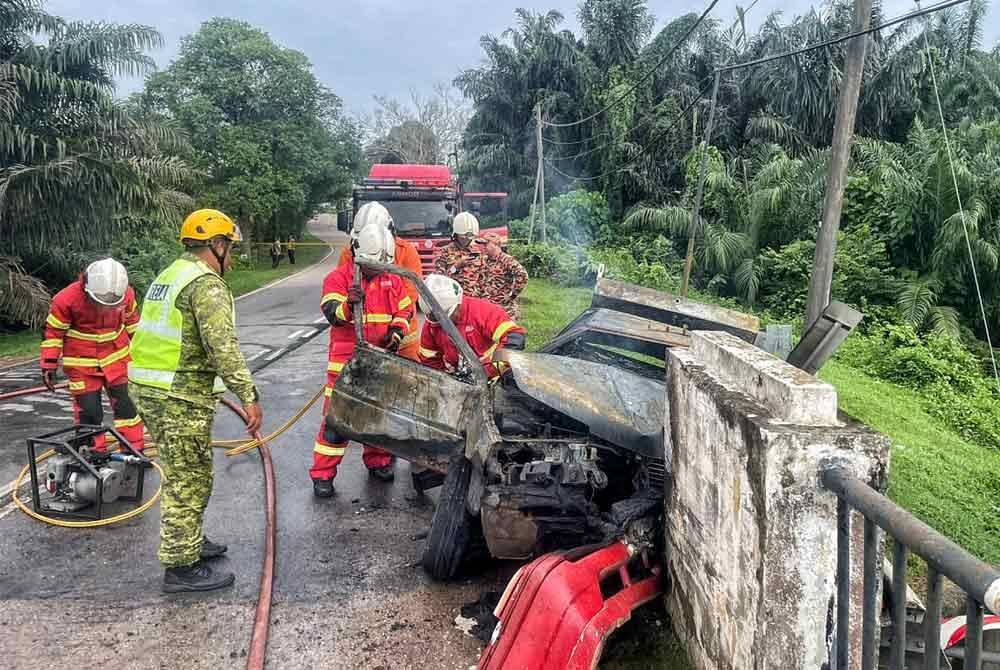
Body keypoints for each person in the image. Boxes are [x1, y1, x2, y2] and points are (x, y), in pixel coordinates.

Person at [129, 208, 262, 594]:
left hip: (153, 387)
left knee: (187, 469)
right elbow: (222, 347)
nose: (232, 258)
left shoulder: (171, 274)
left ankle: (190, 541)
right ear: (216, 245)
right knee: (189, 477)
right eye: (230, 248)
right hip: (176, 394)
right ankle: (180, 565)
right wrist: (248, 395)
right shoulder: (205, 284)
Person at [312, 218, 414, 498]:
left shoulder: (392, 279)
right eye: (372, 265)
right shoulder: (339, 278)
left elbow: (405, 311)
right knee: (337, 422)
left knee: (377, 415)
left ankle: (378, 462)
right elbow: (333, 314)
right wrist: (348, 304)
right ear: (359, 256)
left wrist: (395, 333)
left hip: (381, 359)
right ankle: (322, 475)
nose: (376, 270)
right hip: (346, 363)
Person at [41, 258, 145, 453]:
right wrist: (49, 364)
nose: (106, 307)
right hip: (82, 364)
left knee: (127, 407)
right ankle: (94, 454)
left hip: (118, 359)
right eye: (102, 302)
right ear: (87, 288)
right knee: (89, 412)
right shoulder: (65, 300)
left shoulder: (126, 294)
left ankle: (134, 450)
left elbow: (133, 324)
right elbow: (53, 333)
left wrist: (144, 353)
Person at [337, 202, 423, 361]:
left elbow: (409, 299)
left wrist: (395, 332)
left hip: (404, 339)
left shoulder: (406, 251)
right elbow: (343, 293)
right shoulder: (349, 254)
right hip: (364, 339)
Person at [418, 274, 526, 383]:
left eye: (445, 316)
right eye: (437, 318)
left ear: (457, 304)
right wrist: (443, 380)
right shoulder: (433, 325)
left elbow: (514, 337)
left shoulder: (482, 311)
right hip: (460, 378)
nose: (442, 323)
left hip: (494, 377)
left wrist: (493, 370)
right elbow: (429, 358)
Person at [478, 232, 529, 320]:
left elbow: (523, 275)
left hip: (504, 310)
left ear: (495, 244)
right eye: (482, 244)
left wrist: (512, 295)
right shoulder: (485, 260)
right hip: (488, 309)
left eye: (486, 244)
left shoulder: (506, 260)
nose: (483, 247)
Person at [434, 211, 483, 296]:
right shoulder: (444, 252)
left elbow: (484, 278)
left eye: (469, 237)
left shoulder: (477, 252)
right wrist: (456, 267)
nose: (466, 239)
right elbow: (440, 281)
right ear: (456, 235)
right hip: (453, 299)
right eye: (463, 237)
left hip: (474, 299)